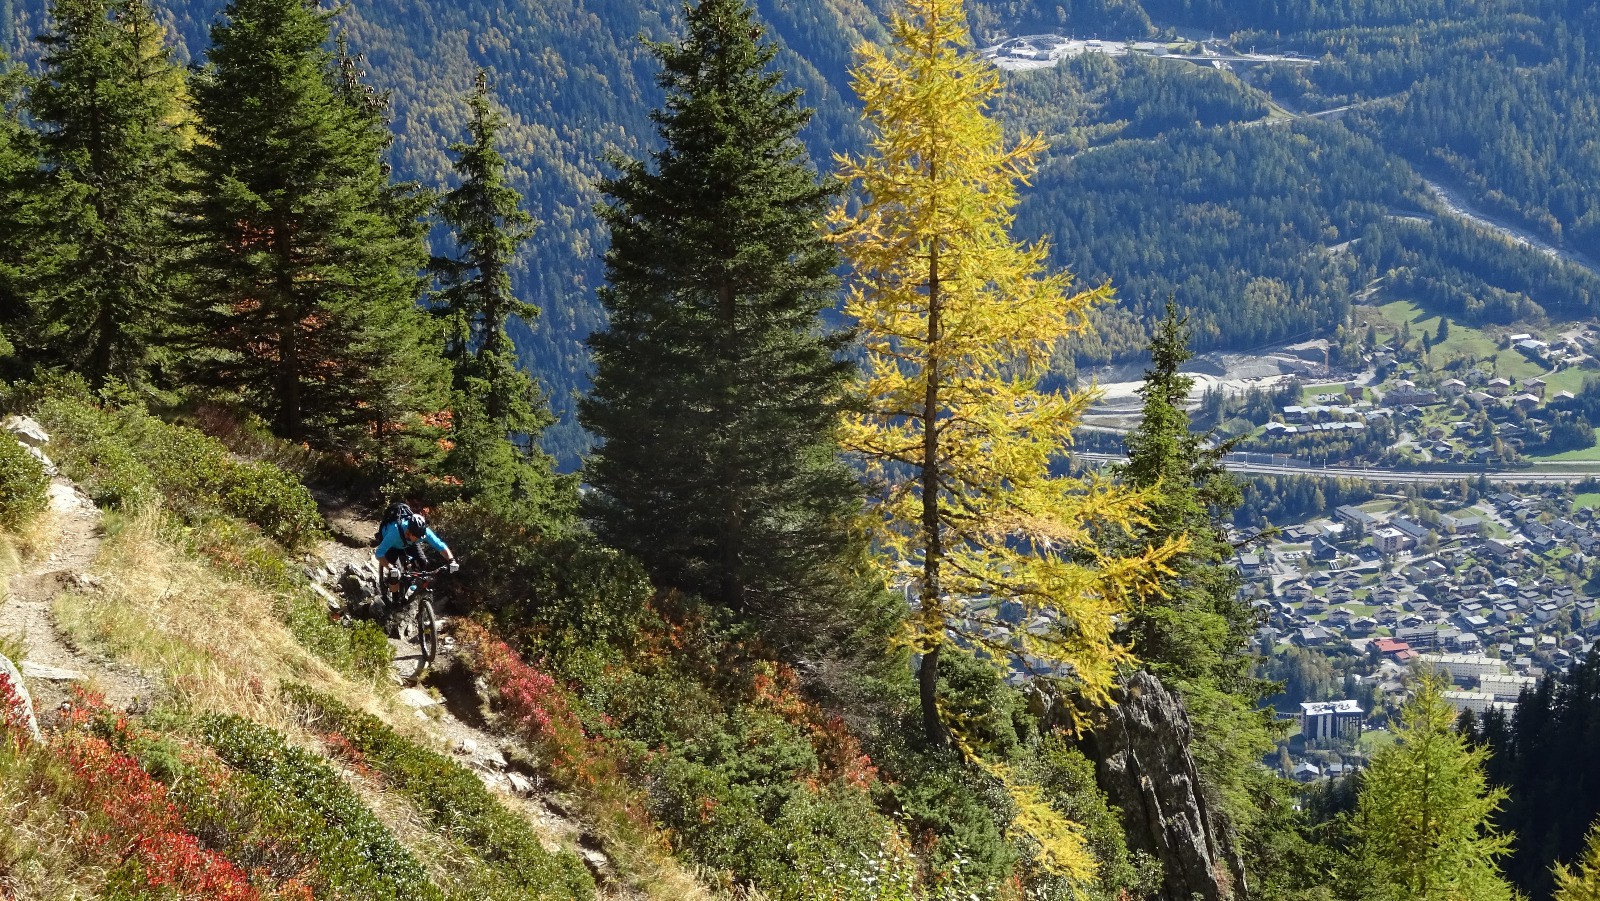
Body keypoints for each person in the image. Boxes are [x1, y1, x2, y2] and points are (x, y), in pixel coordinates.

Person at [373, 504, 458, 625]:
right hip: (391, 546)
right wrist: (390, 567)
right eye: (416, 536)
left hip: (408, 544)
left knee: (423, 563)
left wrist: (451, 560)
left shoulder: (421, 532)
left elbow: (440, 545)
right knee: (395, 574)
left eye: (421, 536)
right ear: (408, 532)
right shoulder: (394, 532)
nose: (419, 538)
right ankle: (396, 600)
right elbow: (379, 553)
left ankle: (411, 583)